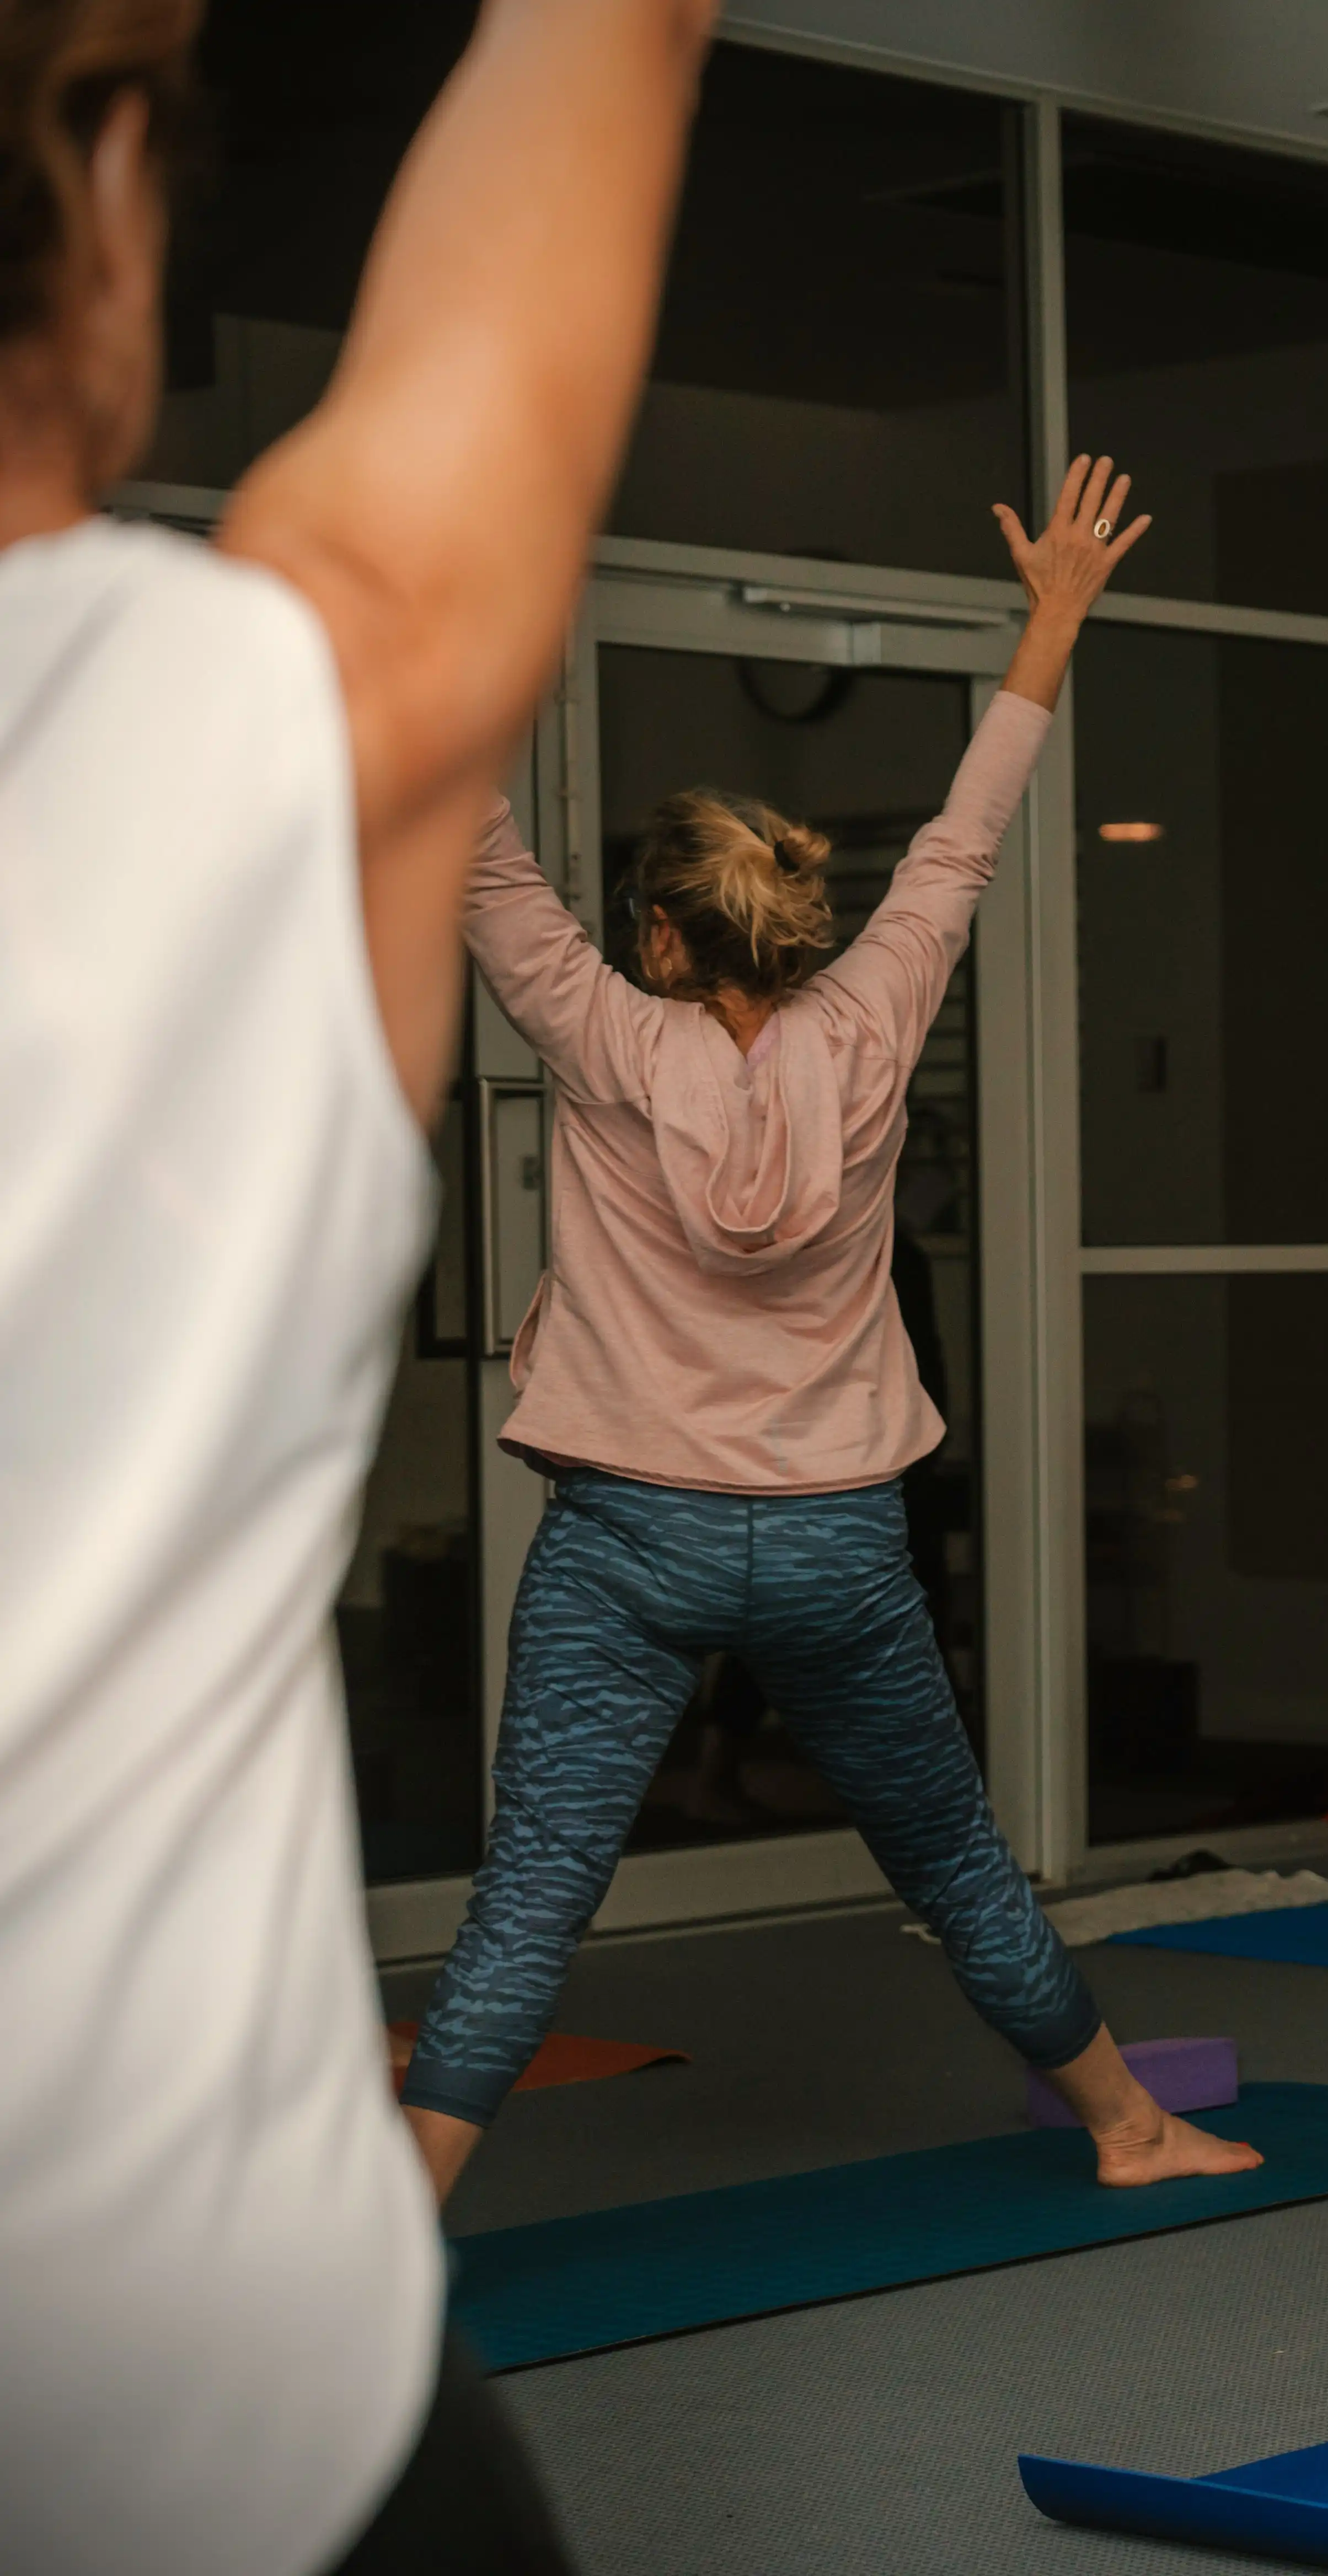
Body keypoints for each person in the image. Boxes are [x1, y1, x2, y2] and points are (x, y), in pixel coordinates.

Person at [0, 2, 712, 2567]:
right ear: (95, 222)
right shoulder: (238, 723)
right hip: (203, 2420)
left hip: (669, 1512)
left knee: (584, 1859)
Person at [392, 457, 1262, 2209]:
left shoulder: (603, 1036)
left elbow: (478, 853)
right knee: (951, 1859)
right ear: (800, 923)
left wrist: (476, 618)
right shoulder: (873, 1022)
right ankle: (1129, 2128)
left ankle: (385, 2242)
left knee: (537, 1891)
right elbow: (964, 836)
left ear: (654, 932)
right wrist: (1057, 615)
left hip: (627, 1537)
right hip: (836, 1546)